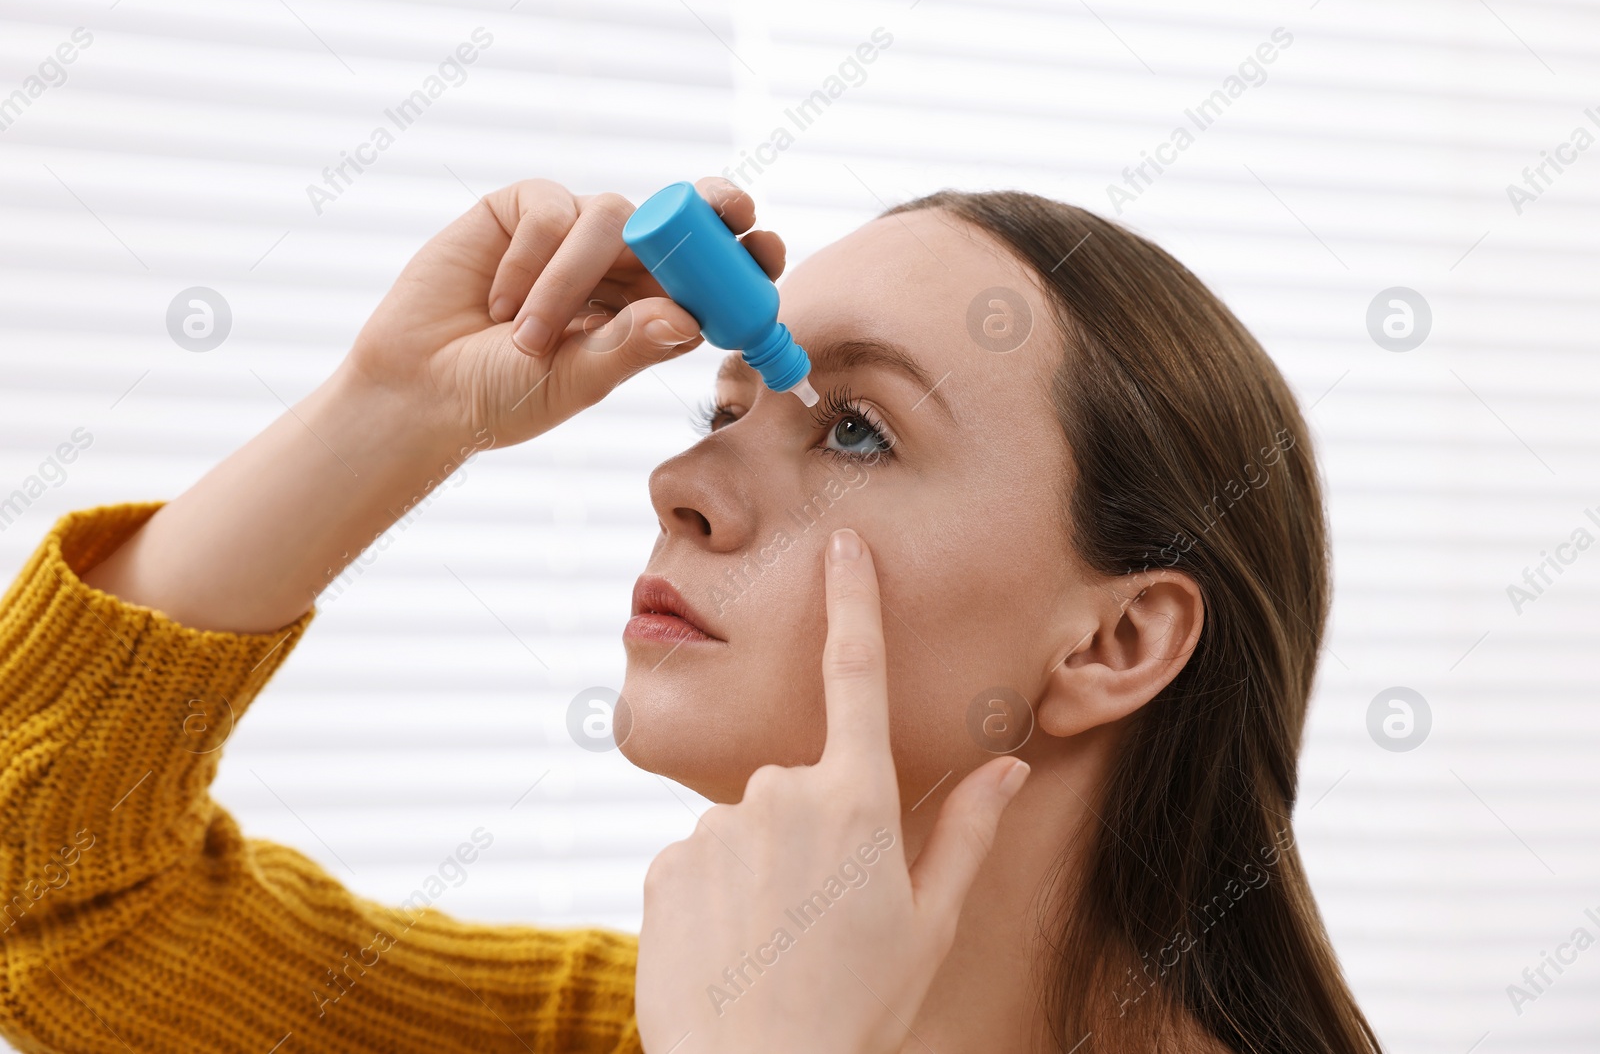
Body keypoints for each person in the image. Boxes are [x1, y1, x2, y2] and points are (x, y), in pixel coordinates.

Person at [0, 175, 1381, 1053]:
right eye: (721, 407)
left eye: (854, 433)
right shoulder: (623, 1032)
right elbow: (51, 905)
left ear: (1116, 641)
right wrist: (393, 412)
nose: (679, 485)